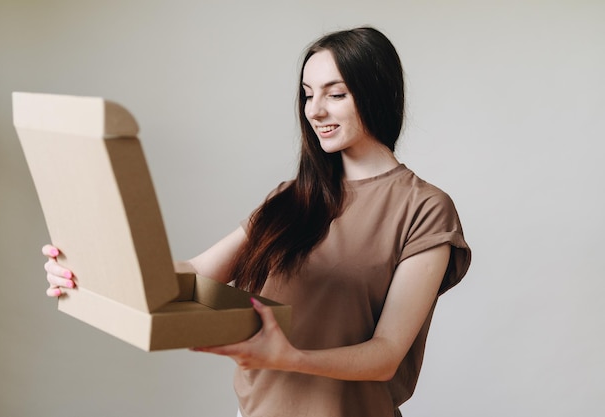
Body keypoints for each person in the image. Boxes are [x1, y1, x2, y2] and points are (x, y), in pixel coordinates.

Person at [43, 26, 471, 417]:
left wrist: (288, 357)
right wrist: (89, 271)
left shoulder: (425, 209)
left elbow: (385, 356)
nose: (315, 110)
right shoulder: (291, 198)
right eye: (307, 94)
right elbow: (191, 275)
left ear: (375, 93)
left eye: (335, 94)